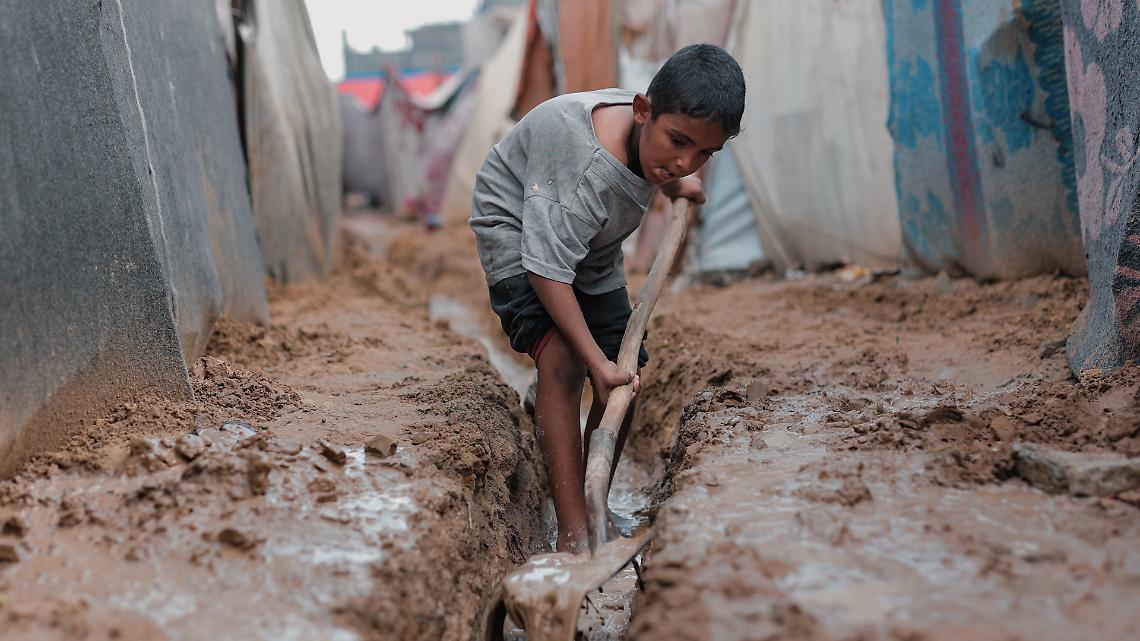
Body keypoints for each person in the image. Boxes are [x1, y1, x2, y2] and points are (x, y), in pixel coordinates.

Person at [469, 44, 746, 553]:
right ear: (642, 110)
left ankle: (594, 499)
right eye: (679, 142)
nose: (686, 161)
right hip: (518, 233)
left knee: (625, 372)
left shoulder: (652, 134)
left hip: (588, 250)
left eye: (704, 153)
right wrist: (592, 359)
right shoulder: (584, 163)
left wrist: (675, 180)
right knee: (565, 361)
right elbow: (547, 270)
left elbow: (662, 155)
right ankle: (574, 530)